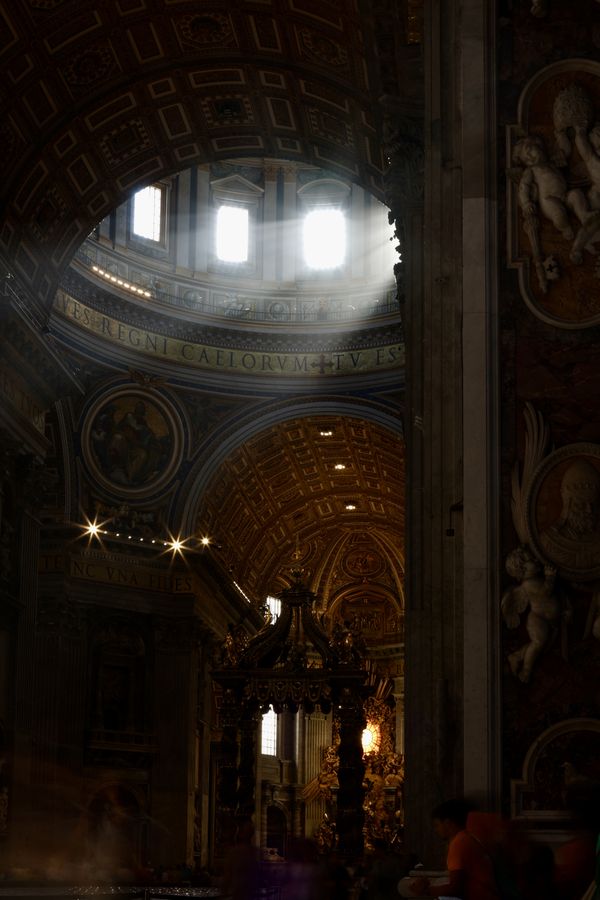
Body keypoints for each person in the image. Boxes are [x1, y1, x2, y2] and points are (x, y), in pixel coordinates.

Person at [409, 799, 499, 900]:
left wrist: (425, 891)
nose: (436, 830)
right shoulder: (467, 838)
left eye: (437, 825)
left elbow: (456, 888)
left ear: (447, 823)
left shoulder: (458, 843)